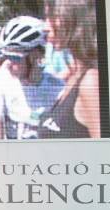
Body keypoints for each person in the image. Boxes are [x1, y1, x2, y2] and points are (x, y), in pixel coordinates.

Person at [0, 16, 64, 140]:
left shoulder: (58, 90)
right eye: (5, 56)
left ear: (36, 56)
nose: (7, 63)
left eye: (15, 57)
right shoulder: (3, 78)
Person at [39, 0, 100, 138]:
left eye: (52, 17)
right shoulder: (74, 75)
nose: (45, 27)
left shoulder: (91, 82)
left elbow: (108, 152)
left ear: (75, 18)